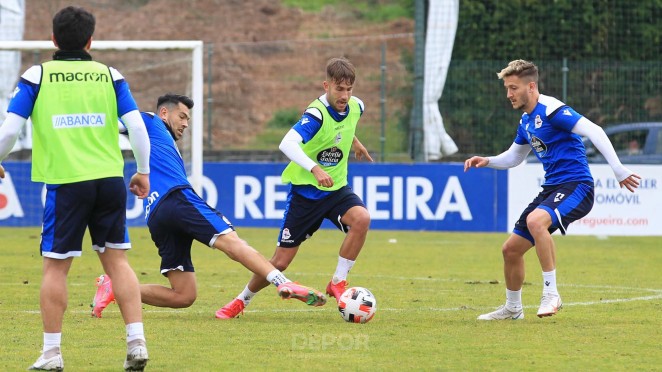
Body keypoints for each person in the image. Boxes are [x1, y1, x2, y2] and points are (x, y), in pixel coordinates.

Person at [0, 6, 151, 371]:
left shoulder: (37, 75)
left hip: (67, 183)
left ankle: (51, 353)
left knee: (55, 268)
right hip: (110, 180)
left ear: (52, 39)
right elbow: (137, 127)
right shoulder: (109, 75)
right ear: (90, 40)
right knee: (118, 262)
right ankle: (137, 342)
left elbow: (9, 129)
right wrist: (143, 171)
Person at [91, 94, 327, 319]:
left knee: (184, 295)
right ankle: (282, 282)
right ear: (164, 112)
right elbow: (114, 121)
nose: (185, 124)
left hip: (155, 215)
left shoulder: (159, 142)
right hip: (177, 199)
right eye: (182, 116)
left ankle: (116, 287)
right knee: (232, 243)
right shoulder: (150, 120)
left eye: (188, 119)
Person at [464, 59, 641, 320]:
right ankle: (513, 309)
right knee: (510, 250)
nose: (508, 94)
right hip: (552, 187)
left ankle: (551, 294)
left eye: (513, 88)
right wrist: (487, 161)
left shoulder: (552, 110)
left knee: (537, 221)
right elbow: (514, 158)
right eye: (507, 89)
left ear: (531, 86)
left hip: (577, 185)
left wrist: (617, 168)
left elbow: (595, 130)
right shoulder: (526, 121)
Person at [216, 57, 373, 319]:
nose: (344, 95)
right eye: (339, 89)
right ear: (326, 86)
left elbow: (346, 124)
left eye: (349, 89)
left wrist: (355, 142)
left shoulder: (357, 106)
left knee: (362, 218)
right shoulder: (315, 114)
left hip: (336, 190)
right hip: (306, 195)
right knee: (279, 262)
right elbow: (287, 144)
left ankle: (337, 282)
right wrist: (315, 168)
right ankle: (240, 301)